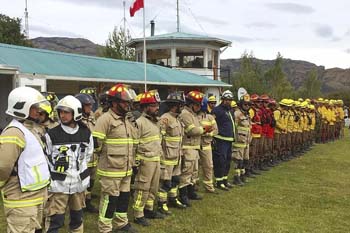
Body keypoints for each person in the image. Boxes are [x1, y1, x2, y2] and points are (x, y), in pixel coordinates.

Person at [0, 86, 51, 233]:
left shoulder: (31, 129)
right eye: (34, 108)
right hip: (21, 201)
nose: (38, 111)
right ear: (22, 107)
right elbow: (3, 166)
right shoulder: (14, 133)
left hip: (36, 197)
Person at [44, 95, 94, 233]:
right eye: (61, 112)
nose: (62, 115)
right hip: (58, 186)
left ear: (76, 113)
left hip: (78, 185)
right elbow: (46, 158)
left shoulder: (85, 133)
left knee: (77, 219)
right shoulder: (52, 134)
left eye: (66, 112)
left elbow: (88, 155)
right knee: (56, 220)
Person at [92, 84, 138, 233]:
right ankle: (105, 228)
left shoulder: (126, 120)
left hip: (126, 168)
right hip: (111, 169)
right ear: (114, 103)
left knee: (124, 198)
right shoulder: (105, 119)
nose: (128, 105)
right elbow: (96, 144)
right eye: (124, 102)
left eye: (128, 102)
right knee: (109, 200)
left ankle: (121, 223)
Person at [132, 91, 164, 226]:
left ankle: (149, 209)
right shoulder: (139, 123)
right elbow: (134, 144)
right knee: (142, 188)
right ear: (145, 107)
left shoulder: (156, 122)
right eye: (153, 105)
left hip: (156, 159)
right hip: (145, 161)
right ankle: (138, 214)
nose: (157, 108)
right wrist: (135, 162)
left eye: (157, 105)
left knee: (154, 187)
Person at [157, 92, 187, 215]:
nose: (182, 108)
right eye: (181, 105)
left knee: (175, 180)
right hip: (167, 157)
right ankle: (162, 203)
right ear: (175, 105)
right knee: (166, 182)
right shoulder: (165, 119)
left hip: (177, 156)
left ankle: (173, 199)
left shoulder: (177, 119)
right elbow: (160, 138)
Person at [177, 91, 206, 206]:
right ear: (190, 103)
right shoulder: (185, 114)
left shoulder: (193, 114)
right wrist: (204, 130)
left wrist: (202, 129)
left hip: (194, 147)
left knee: (194, 172)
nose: (199, 107)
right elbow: (192, 130)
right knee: (186, 172)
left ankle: (191, 192)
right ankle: (183, 195)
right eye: (197, 104)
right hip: (187, 147)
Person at [75, 93, 99, 213]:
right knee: (82, 181)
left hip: (93, 156)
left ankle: (87, 201)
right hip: (83, 157)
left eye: (91, 105)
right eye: (87, 105)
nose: (90, 107)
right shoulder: (76, 119)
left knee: (91, 181)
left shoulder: (92, 116)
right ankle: (81, 204)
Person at [211, 90, 235, 191]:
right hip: (220, 139)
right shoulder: (217, 110)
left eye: (230, 100)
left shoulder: (229, 110)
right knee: (220, 161)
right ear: (222, 100)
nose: (228, 102)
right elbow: (212, 123)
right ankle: (218, 181)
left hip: (229, 139)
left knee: (227, 161)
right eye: (226, 100)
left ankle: (224, 180)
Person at [197, 97, 218, 193]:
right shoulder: (193, 117)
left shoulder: (210, 117)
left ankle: (209, 186)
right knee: (194, 168)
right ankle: (193, 186)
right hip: (195, 145)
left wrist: (208, 134)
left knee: (208, 166)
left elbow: (216, 130)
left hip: (206, 145)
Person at [232, 93, 252, 185]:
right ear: (241, 104)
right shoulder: (237, 114)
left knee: (244, 160)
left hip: (246, 142)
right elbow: (233, 127)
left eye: (248, 104)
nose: (247, 106)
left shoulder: (247, 115)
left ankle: (242, 176)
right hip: (238, 142)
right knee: (238, 161)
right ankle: (236, 177)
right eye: (245, 104)